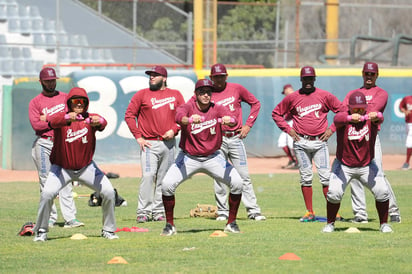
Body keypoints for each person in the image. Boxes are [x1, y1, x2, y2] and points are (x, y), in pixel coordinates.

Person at [33, 87, 118, 241]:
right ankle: (41, 231)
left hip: (86, 167)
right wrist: (67, 118)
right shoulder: (62, 118)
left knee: (109, 192)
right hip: (61, 168)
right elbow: (52, 121)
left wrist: (99, 121)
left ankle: (109, 230)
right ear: (69, 103)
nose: (79, 104)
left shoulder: (90, 119)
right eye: (75, 101)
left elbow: (103, 122)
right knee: (47, 194)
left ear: (86, 104)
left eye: (82, 101)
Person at [160, 79, 244, 236]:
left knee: (238, 183)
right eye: (202, 92)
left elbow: (233, 121)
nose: (206, 95)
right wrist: (190, 120)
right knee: (166, 185)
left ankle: (231, 223)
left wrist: (230, 121)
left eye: (208, 92)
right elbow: (179, 118)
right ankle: (170, 225)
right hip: (188, 157)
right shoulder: (187, 107)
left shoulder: (217, 108)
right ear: (195, 94)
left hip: (213, 157)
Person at [272, 66, 344, 222]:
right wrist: (288, 129)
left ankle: (334, 212)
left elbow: (342, 111)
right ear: (301, 79)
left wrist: (332, 129)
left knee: (325, 178)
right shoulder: (292, 97)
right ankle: (309, 212)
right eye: (305, 78)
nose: (308, 81)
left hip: (320, 141)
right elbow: (276, 113)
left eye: (311, 78)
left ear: (315, 79)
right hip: (301, 142)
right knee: (305, 178)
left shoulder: (325, 96)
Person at [338, 62, 401, 223]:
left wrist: (355, 109)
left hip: (370, 137)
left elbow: (372, 110)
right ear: (362, 74)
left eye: (372, 74)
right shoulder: (353, 92)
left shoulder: (381, 93)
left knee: (378, 173)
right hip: (352, 135)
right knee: (354, 173)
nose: (369, 76)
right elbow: (344, 110)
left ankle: (393, 211)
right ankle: (360, 215)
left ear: (377, 75)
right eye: (366, 73)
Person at [322, 91, 392, 233]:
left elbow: (381, 117)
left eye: (361, 107)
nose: (359, 110)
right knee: (333, 193)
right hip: (343, 165)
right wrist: (349, 117)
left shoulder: (370, 118)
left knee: (383, 192)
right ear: (350, 107)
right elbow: (337, 119)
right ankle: (330, 224)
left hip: (367, 165)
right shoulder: (344, 117)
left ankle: (384, 224)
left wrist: (376, 115)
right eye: (356, 107)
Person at [125, 66, 185, 223]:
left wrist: (175, 129)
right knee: (148, 176)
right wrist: (138, 137)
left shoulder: (175, 95)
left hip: (169, 143)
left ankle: (159, 211)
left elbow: (183, 117)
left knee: (164, 179)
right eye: (150, 75)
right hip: (149, 143)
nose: (151, 77)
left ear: (164, 78)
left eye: (155, 75)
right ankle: (143, 211)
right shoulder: (142, 94)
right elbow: (130, 115)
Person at [209, 63, 266, 221]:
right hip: (217, 139)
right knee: (219, 176)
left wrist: (248, 124)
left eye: (221, 76)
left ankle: (253, 210)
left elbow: (255, 103)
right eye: (216, 77)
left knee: (243, 176)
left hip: (235, 137)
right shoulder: (207, 92)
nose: (219, 79)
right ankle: (222, 211)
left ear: (226, 76)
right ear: (211, 78)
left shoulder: (236, 89)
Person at [28, 67, 84, 229]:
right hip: (44, 143)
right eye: (48, 81)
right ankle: (50, 217)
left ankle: (70, 218)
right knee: (46, 181)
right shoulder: (35, 102)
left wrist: (50, 118)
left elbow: (75, 117)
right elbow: (36, 125)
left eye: (53, 80)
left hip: (62, 142)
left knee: (66, 180)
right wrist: (61, 118)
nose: (51, 83)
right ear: (41, 82)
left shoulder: (65, 98)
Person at [277, 84, 298, 169]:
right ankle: (292, 160)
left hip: (294, 122)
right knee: (281, 142)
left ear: (287, 90)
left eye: (284, 92)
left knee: (291, 143)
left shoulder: (297, 96)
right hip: (288, 122)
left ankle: (298, 162)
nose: (284, 94)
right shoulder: (287, 99)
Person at [399, 94, 412, 170]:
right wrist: (404, 110)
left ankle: (407, 163)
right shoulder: (407, 98)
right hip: (408, 123)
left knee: (409, 142)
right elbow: (401, 106)